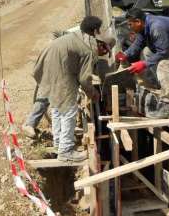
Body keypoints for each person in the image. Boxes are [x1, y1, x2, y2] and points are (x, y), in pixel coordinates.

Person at [25, 16, 113, 162]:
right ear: (100, 43)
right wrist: (93, 93)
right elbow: (84, 80)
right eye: (104, 51)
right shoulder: (88, 49)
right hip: (59, 68)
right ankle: (66, 151)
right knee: (69, 109)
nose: (103, 54)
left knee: (58, 107)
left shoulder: (76, 37)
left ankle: (59, 144)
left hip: (48, 62)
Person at [115, 8, 169, 120]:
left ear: (138, 22)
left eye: (130, 24)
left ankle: (167, 106)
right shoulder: (144, 26)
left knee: (165, 66)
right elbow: (138, 44)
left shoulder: (156, 27)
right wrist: (125, 54)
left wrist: (143, 64)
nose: (129, 27)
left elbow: (164, 51)